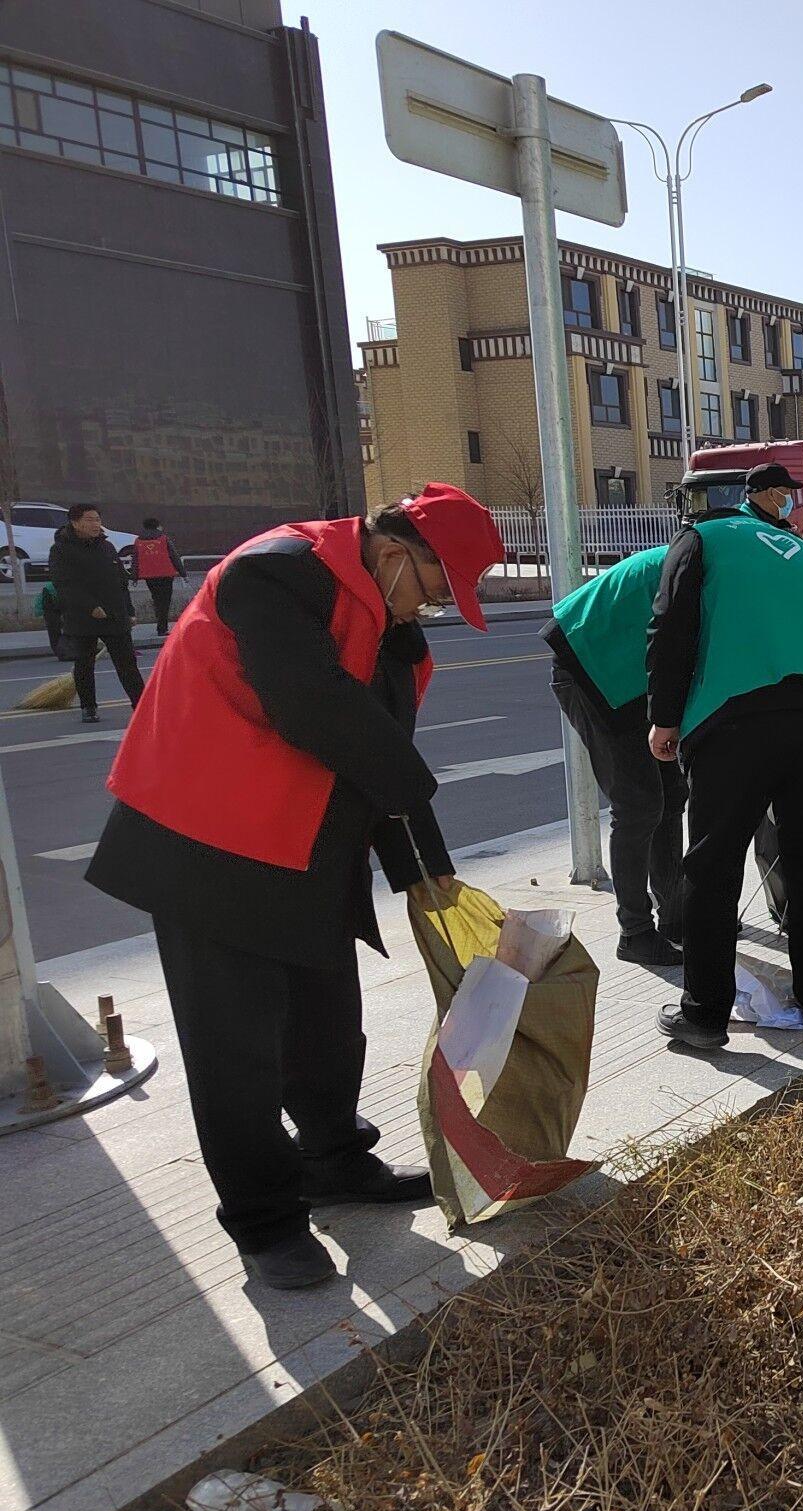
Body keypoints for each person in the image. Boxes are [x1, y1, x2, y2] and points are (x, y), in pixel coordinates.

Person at [85, 483, 502, 1291]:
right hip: (207, 844)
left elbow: (374, 753)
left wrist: (431, 877)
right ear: (390, 555)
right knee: (233, 1048)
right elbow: (313, 709)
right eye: (435, 591)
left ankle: (333, 1162)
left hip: (305, 840)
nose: (431, 612)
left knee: (326, 1023)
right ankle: (264, 1219)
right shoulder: (275, 574)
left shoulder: (386, 624)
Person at [646, 461, 803, 1053]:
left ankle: (704, 1015)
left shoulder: (701, 541)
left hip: (737, 720)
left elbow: (671, 630)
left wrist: (664, 719)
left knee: (714, 865)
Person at [545, 538, 689, 969]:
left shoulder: (715, 559)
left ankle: (676, 916)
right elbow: (684, 652)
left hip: (631, 670)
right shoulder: (707, 568)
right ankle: (635, 932)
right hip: (590, 665)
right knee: (639, 804)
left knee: (670, 793)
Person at [49, 503, 144, 723]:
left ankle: (140, 704)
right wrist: (89, 606)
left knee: (127, 663)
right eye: (90, 520)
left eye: (98, 520)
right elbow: (64, 584)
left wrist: (128, 610)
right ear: (75, 522)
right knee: (84, 664)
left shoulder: (107, 547)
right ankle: (88, 707)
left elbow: (121, 581)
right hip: (82, 618)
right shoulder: (61, 549)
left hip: (114, 615)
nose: (95, 524)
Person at [133, 517, 182, 635]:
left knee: (156, 598)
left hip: (149, 575)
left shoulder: (138, 540)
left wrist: (134, 576)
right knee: (165, 600)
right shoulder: (164, 538)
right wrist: (182, 571)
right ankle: (162, 627)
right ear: (157, 526)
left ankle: (160, 622)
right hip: (166, 573)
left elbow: (135, 559)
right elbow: (173, 556)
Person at [34, 582, 63, 659]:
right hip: (52, 612)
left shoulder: (49, 587)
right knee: (55, 631)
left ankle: (60, 652)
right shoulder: (51, 588)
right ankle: (62, 652)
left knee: (54, 633)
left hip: (51, 613)